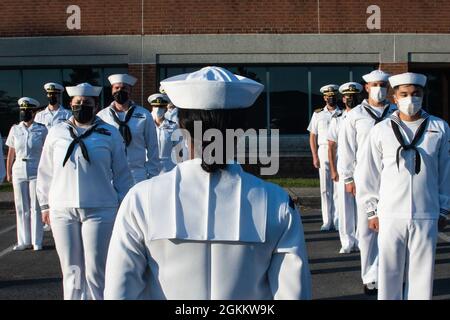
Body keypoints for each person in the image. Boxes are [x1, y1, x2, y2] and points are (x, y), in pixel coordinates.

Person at [104, 66, 312, 300]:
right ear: (241, 130)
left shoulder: (140, 198)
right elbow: (294, 294)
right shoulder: (277, 202)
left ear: (182, 128)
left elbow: (119, 292)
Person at [36, 83, 133, 300]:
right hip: (62, 208)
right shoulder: (56, 132)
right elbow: (45, 172)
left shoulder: (110, 133)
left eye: (87, 103)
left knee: (96, 270)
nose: (82, 106)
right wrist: (44, 205)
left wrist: (123, 206)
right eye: (77, 103)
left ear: (95, 105)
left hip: (100, 208)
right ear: (70, 105)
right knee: (71, 270)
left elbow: (122, 174)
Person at [358, 72, 450, 300]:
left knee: (422, 275)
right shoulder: (381, 129)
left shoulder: (439, 127)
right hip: (389, 213)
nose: (411, 99)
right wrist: (372, 209)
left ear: (423, 95)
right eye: (405, 94)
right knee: (389, 273)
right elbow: (367, 171)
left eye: (416, 94)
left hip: (426, 211)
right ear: (395, 97)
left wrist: (444, 207)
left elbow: (446, 171)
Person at [339, 69, 396, 295]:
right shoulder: (355, 115)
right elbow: (346, 149)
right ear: (366, 87)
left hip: (392, 177)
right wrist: (348, 177)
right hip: (364, 178)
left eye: (383, 84)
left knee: (391, 229)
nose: (379, 89)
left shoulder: (395, 112)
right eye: (375, 84)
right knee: (367, 229)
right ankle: (370, 276)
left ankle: (387, 273)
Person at [97, 74, 160, 184]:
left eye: (124, 88)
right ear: (111, 90)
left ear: (130, 91)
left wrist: (152, 174)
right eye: (116, 88)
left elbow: (152, 146)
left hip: (137, 174)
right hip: (111, 175)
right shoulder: (102, 116)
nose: (120, 91)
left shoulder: (144, 115)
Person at [6, 97, 47, 251]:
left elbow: (46, 151)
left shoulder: (42, 129)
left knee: (35, 206)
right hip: (19, 168)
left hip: (35, 167)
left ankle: (37, 241)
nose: (24, 113)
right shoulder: (15, 129)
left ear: (34, 112)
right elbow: (11, 152)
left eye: (27, 111)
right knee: (21, 206)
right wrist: (8, 171)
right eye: (22, 110)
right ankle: (24, 240)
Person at [328, 82, 361, 254]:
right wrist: (333, 169)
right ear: (343, 98)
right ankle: (347, 241)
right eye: (348, 96)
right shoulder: (338, 119)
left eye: (353, 96)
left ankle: (362, 240)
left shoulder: (365, 116)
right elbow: (331, 146)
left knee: (362, 206)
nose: (350, 99)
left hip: (363, 167)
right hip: (343, 168)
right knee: (345, 206)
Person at [35, 82, 72, 232]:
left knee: (60, 183)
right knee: (45, 184)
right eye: (50, 95)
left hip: (61, 155)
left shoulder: (67, 114)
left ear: (59, 95)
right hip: (44, 154)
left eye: (55, 94)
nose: (52, 97)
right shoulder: (39, 115)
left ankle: (59, 213)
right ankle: (46, 215)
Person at [307, 84, 341, 231]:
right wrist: (315, 156)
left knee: (338, 187)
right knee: (325, 188)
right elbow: (312, 136)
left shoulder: (343, 113)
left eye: (333, 95)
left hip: (339, 151)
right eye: (328, 96)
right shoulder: (318, 114)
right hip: (323, 150)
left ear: (336, 97)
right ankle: (327, 221)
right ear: (324, 97)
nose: (330, 98)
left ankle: (338, 219)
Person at [148, 93, 182, 173]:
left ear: (165, 109)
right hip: (149, 167)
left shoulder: (173, 126)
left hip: (167, 168)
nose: (158, 109)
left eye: (161, 107)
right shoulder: (146, 125)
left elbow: (179, 149)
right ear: (152, 108)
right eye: (155, 106)